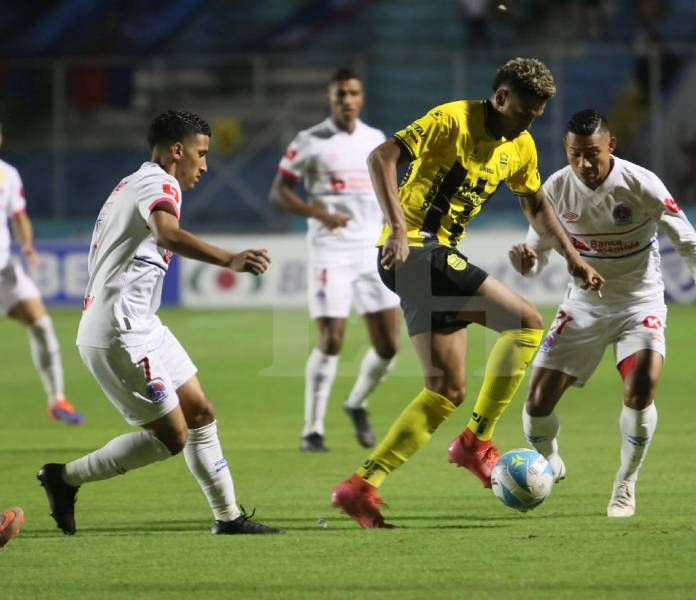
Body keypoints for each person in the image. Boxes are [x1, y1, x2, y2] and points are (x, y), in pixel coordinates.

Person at [330, 58, 605, 528]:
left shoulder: (520, 148)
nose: (528, 122)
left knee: (445, 389)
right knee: (527, 324)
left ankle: (360, 486)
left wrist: (574, 260)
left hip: (425, 265)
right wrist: (398, 227)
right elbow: (381, 157)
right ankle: (476, 442)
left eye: (536, 116)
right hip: (415, 250)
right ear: (500, 98)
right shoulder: (452, 119)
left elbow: (537, 207)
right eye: (523, 112)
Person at [37, 110, 281, 535]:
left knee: (201, 412)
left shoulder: (136, 181)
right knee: (173, 437)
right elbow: (166, 233)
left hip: (142, 323)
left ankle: (229, 518)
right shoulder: (157, 182)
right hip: (118, 330)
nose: (205, 166)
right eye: (201, 154)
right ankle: (65, 477)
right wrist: (229, 258)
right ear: (176, 151)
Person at [509, 109, 696, 518]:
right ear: (566, 151)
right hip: (582, 306)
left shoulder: (641, 184)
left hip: (640, 303)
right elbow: (536, 262)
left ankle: (626, 483)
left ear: (611, 146)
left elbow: (688, 242)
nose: (584, 165)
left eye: (593, 154)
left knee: (640, 390)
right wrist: (525, 261)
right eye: (575, 154)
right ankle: (550, 459)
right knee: (536, 404)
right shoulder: (556, 189)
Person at [271, 68, 401, 452]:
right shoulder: (309, 141)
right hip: (331, 250)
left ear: (361, 98)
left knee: (390, 347)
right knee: (332, 339)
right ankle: (312, 429)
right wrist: (322, 215)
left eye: (353, 93)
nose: (347, 99)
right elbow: (279, 194)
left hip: (372, 251)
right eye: (340, 93)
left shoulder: (376, 140)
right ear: (330, 98)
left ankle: (356, 403)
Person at [0, 122, 84, 425]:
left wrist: (27, 246)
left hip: (3, 269)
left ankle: (57, 399)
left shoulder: (7, 174)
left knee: (42, 325)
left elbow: (18, 216)